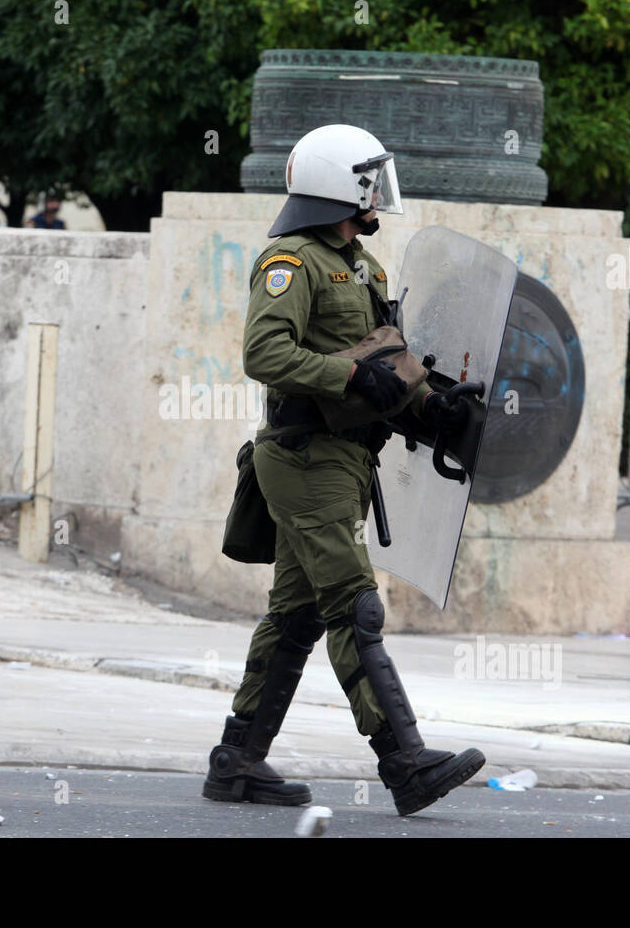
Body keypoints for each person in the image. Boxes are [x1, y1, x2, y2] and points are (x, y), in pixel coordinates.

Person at [202, 124, 485, 816]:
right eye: (371, 180)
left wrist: (432, 407)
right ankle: (405, 761)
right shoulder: (290, 261)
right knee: (353, 606)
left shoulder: (368, 268)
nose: (379, 195)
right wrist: (352, 374)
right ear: (339, 184)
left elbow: (386, 376)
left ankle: (237, 761)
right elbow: (266, 354)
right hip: (304, 457)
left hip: (349, 459)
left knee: (296, 614)